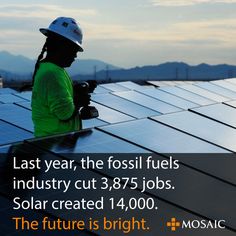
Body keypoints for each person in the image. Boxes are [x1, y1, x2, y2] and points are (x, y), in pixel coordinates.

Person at [31, 17, 89, 137]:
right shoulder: (52, 74)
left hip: (54, 143)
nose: (75, 55)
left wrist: (75, 92)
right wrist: (79, 101)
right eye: (74, 50)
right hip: (52, 144)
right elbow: (64, 113)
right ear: (62, 46)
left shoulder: (50, 69)